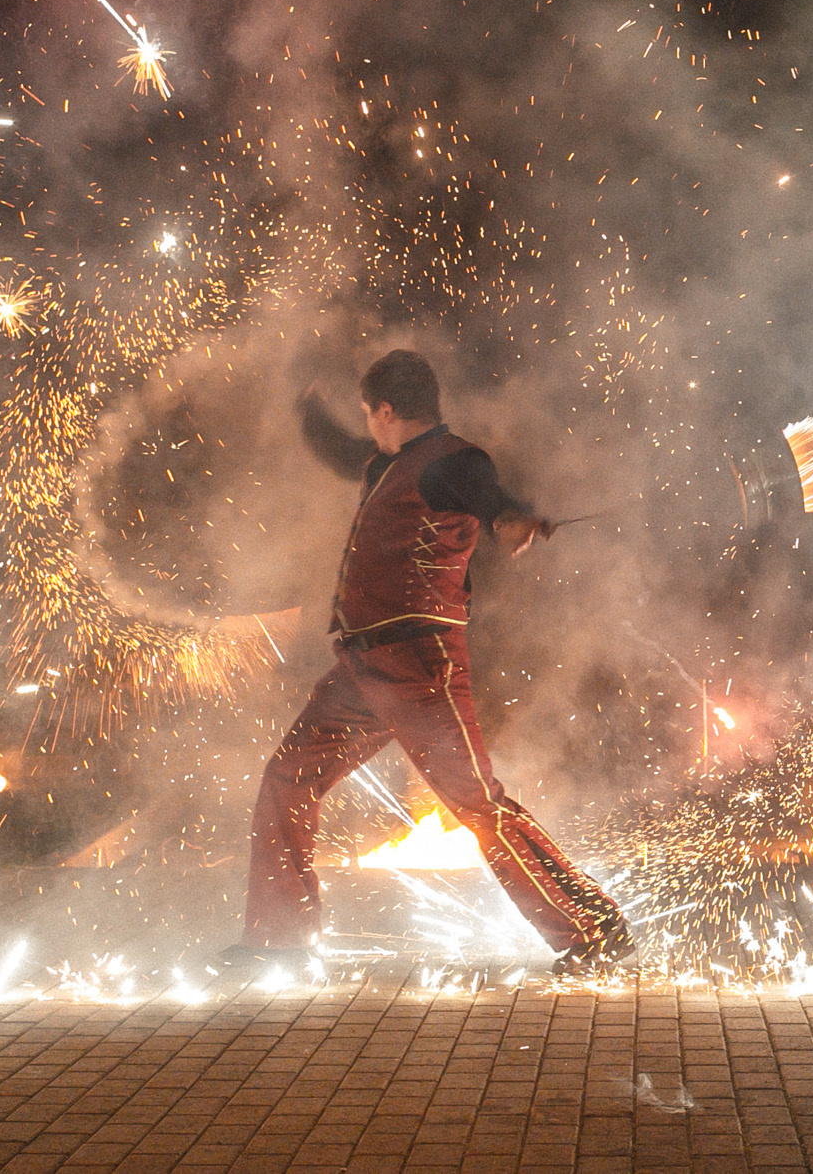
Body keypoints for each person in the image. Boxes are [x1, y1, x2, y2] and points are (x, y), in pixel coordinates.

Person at [227, 349, 633, 972]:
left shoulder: (451, 463)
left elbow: (485, 491)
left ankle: (594, 931)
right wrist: (307, 409)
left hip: (420, 668)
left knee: (479, 805)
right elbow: (339, 451)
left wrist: (509, 519)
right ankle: (278, 937)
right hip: (363, 671)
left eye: (369, 415)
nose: (365, 427)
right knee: (287, 777)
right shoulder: (386, 463)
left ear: (387, 411)